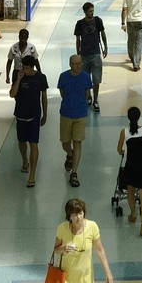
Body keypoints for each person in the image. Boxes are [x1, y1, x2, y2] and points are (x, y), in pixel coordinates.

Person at [9, 53, 48, 186]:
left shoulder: (41, 78)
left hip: (34, 115)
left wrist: (45, 114)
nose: (24, 70)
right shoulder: (18, 75)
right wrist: (19, 79)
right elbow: (12, 94)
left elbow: (44, 97)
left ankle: (32, 175)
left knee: (33, 144)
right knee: (21, 141)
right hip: (20, 115)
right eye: (22, 67)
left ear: (32, 68)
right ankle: (25, 160)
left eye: (26, 68)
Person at [116, 105, 142, 236]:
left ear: (128, 117)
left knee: (130, 191)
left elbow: (119, 149)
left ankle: (133, 214)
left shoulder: (124, 132)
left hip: (131, 166)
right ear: (139, 117)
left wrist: (123, 152)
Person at [56, 54, 92, 186]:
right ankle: (69, 154)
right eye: (75, 63)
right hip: (66, 113)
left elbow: (86, 94)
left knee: (78, 143)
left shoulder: (86, 77)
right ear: (70, 64)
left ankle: (74, 173)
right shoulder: (63, 77)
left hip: (81, 114)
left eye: (80, 63)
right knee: (65, 143)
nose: (78, 66)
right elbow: (62, 93)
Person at [73, 2, 107, 112]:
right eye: (90, 11)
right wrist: (78, 53)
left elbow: (102, 34)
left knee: (96, 80)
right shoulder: (79, 24)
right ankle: (88, 97)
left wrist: (105, 47)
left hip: (96, 54)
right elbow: (78, 39)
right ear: (85, 12)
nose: (92, 13)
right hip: (84, 55)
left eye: (92, 11)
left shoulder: (98, 21)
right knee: (86, 79)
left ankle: (96, 100)